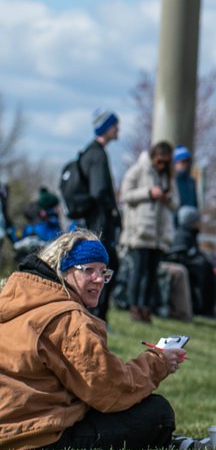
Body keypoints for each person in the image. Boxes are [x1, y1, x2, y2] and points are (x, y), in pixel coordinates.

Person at [0, 230, 185, 450]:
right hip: (31, 436)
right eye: (88, 270)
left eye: (103, 272)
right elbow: (110, 390)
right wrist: (158, 362)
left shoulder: (14, 302)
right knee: (158, 414)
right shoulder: (67, 318)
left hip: (8, 427)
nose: (99, 280)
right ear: (63, 270)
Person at [120, 141, 178, 323]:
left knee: (152, 274)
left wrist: (167, 198)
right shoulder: (138, 170)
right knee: (139, 271)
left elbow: (176, 203)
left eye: (166, 162)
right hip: (140, 231)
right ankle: (134, 306)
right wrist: (148, 193)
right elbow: (125, 195)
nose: (162, 165)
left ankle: (146, 307)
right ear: (153, 157)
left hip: (159, 235)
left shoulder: (168, 177)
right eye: (159, 161)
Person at [77, 108, 123, 322]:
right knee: (105, 269)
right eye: (115, 125)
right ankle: (96, 315)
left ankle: (94, 315)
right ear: (106, 128)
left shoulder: (90, 152)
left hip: (93, 221)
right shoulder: (97, 154)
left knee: (103, 269)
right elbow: (99, 190)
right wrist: (112, 212)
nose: (118, 129)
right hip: (99, 223)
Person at [173, 145, 198, 212]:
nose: (185, 164)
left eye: (187, 161)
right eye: (182, 161)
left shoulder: (192, 181)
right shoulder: (173, 181)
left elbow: (196, 203)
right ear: (176, 163)